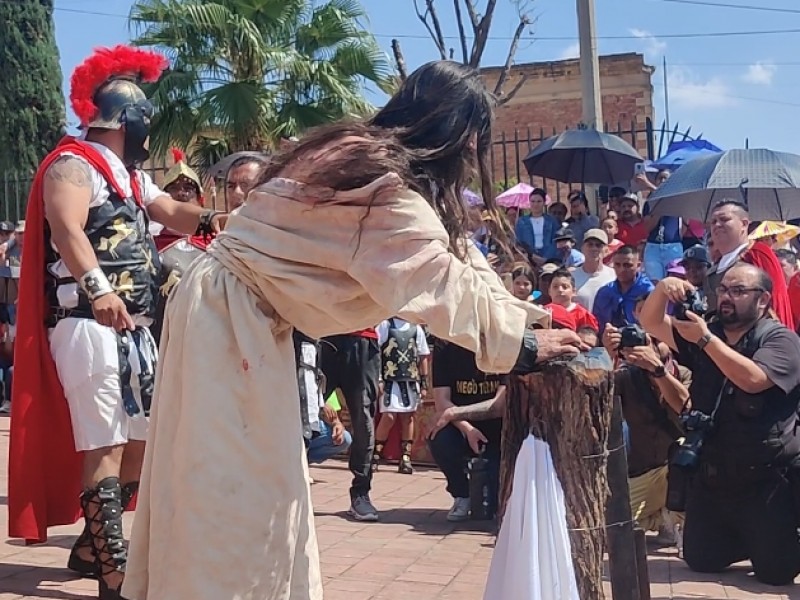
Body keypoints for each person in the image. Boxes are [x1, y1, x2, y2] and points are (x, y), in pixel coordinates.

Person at [121, 60, 584, 600]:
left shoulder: (362, 154)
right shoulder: (381, 184)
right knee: (232, 494)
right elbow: (437, 282)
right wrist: (523, 345)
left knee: (251, 488)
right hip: (228, 324)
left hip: (229, 316)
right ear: (452, 131)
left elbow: (454, 259)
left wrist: (526, 320)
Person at [7, 45, 227, 600]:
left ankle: (87, 548)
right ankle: (114, 574)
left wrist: (227, 217)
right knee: (105, 442)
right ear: (130, 121)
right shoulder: (73, 164)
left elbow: (172, 213)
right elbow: (68, 229)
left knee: (140, 441)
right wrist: (99, 289)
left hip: (134, 329)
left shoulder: (127, 177)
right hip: (87, 321)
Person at [640, 264, 800, 586]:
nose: (726, 297)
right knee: (702, 560)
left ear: (763, 299)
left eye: (738, 291)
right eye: (723, 290)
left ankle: (775, 536)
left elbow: (753, 380)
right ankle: (750, 539)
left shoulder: (782, 340)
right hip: (714, 476)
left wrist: (706, 339)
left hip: (765, 479)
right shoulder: (708, 330)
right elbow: (651, 323)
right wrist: (662, 290)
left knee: (776, 574)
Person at [428, 339, 506, 522]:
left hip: (497, 427)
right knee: (438, 435)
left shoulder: (504, 345)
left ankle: (495, 496)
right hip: (460, 426)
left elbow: (499, 405)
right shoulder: (444, 346)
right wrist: (468, 429)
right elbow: (442, 401)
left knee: (491, 508)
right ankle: (461, 494)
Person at [705, 200, 793, 330]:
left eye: (724, 219)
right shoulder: (713, 269)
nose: (717, 225)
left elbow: (774, 306)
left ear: (744, 224)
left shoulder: (758, 254)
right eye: (713, 221)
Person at [372, 317, 431, 475]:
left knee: (408, 418)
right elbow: (375, 350)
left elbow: (423, 355)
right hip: (390, 380)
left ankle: (405, 457)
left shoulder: (416, 328)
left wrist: (424, 382)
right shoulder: (385, 325)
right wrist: (378, 378)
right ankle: (376, 454)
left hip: (410, 380)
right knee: (388, 417)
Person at [593, 245, 655, 332]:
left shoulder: (648, 291)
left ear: (638, 266)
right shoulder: (605, 292)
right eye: (617, 265)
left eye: (627, 265)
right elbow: (597, 324)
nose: (621, 269)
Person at [573, 228, 616, 311]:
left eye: (598, 245)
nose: (594, 248)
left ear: (606, 250)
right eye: (590, 244)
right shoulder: (572, 276)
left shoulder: (614, 275)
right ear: (582, 248)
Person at [515, 188, 560, 265]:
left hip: (549, 259)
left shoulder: (552, 221)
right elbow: (519, 242)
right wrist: (531, 255)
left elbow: (556, 240)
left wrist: (546, 258)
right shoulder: (521, 222)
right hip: (529, 259)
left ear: (544, 202)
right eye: (533, 201)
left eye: (539, 201)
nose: (535, 204)